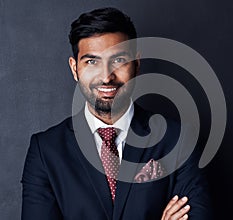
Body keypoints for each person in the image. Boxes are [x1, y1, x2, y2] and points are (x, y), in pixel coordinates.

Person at [21, 7, 212, 220]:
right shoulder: (46, 150)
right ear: (74, 68)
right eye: (92, 62)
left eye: (119, 60)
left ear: (136, 65)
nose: (106, 77)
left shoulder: (177, 140)